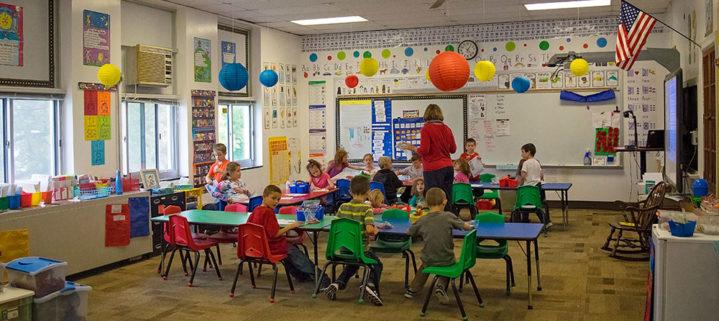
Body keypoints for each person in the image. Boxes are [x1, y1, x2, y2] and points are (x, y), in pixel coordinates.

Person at [248, 185, 331, 287]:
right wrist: (291, 226)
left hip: (257, 246)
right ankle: (321, 276)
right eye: (273, 198)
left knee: (292, 248)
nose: (276, 202)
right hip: (269, 247)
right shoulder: (268, 212)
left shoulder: (256, 210)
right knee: (293, 251)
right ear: (264, 197)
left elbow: (249, 226)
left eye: (278, 199)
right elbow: (275, 234)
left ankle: (301, 275)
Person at [322, 176, 383, 306]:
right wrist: (375, 230)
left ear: (350, 191)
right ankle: (369, 285)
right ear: (368, 192)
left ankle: (337, 284)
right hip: (360, 250)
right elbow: (370, 230)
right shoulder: (366, 209)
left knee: (353, 263)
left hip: (343, 249)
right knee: (377, 263)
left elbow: (337, 224)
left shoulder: (343, 207)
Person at [404, 188, 473, 303]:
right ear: (444, 201)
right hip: (446, 258)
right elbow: (465, 226)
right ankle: (440, 286)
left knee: (424, 266)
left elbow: (409, 232)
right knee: (447, 264)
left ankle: (412, 290)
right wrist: (470, 225)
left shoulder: (422, 219)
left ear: (426, 203)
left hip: (428, 259)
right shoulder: (449, 216)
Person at [399, 104, 456, 210]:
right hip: (448, 167)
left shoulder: (426, 128)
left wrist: (413, 148)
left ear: (427, 115)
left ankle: (434, 223)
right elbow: (453, 149)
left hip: (433, 168)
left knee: (433, 198)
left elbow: (424, 150)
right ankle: (448, 222)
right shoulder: (447, 128)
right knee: (446, 197)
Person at [517, 143, 550, 226]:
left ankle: (524, 222)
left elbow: (523, 175)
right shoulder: (537, 162)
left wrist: (519, 184)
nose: (521, 154)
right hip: (537, 187)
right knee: (536, 205)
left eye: (523, 152)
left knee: (523, 203)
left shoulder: (526, 163)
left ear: (528, 152)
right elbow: (541, 175)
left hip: (528, 189)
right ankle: (546, 222)